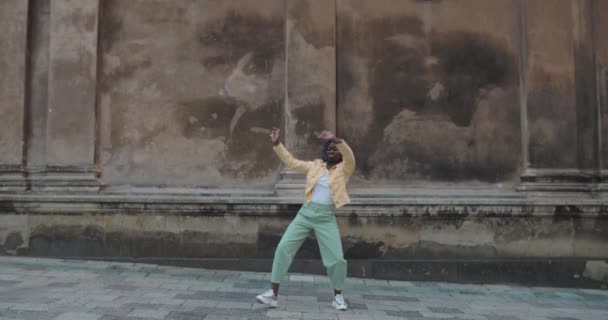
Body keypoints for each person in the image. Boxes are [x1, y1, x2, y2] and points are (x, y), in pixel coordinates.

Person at [256, 127, 356, 311]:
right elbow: (291, 162)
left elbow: (350, 156)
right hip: (305, 213)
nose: (333, 150)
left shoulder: (345, 169)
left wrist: (336, 139)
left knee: (337, 259)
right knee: (283, 248)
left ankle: (338, 296)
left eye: (336, 148)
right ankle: (273, 294)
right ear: (325, 151)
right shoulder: (315, 166)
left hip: (326, 217)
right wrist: (277, 144)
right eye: (329, 148)